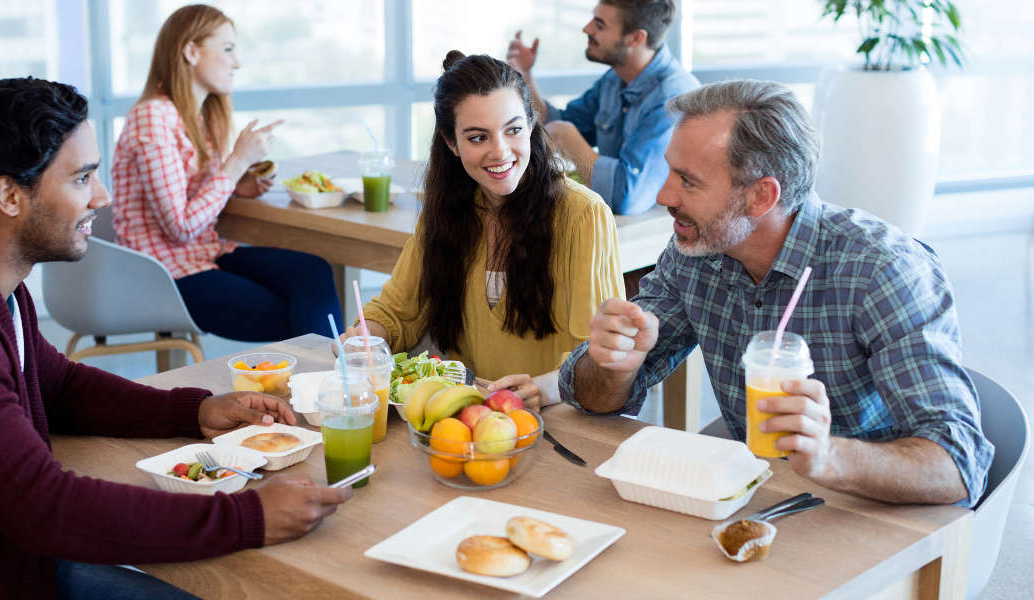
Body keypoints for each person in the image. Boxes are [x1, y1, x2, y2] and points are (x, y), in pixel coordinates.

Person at [0, 77, 351, 599]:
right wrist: (246, 514)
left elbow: (60, 387)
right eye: (82, 178)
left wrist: (195, 411)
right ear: (9, 195)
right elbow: (42, 507)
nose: (102, 197)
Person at [559, 79, 994, 506]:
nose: (663, 194)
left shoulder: (883, 271)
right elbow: (590, 400)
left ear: (761, 196)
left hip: (870, 511)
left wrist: (830, 456)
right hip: (760, 494)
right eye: (669, 170)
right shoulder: (697, 251)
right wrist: (614, 366)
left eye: (688, 181)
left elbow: (958, 465)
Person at [342, 52, 625, 407]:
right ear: (451, 143)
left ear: (531, 125)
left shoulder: (584, 215)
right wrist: (367, 340)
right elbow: (398, 311)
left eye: (513, 130)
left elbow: (599, 355)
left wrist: (545, 387)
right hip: (470, 421)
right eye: (478, 138)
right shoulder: (446, 212)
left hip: (559, 424)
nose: (500, 152)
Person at [112, 4, 342, 341]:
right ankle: (328, 386)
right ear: (191, 51)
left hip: (205, 254)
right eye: (228, 49)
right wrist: (235, 163)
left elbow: (185, 193)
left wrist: (237, 184)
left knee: (315, 272)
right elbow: (180, 227)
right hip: (165, 274)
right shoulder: (153, 117)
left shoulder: (199, 116)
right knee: (299, 315)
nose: (237, 62)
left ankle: (327, 384)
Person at [507, 0, 698, 216]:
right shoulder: (613, 81)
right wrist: (525, 76)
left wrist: (569, 138)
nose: (586, 29)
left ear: (636, 38)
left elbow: (625, 197)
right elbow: (553, 125)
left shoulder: (672, 97)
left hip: (657, 236)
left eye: (599, 25)